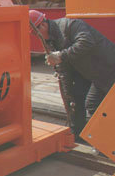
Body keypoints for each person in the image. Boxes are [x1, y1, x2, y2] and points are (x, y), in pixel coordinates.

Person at [29, 9, 115, 138]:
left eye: (35, 33)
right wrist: (69, 97)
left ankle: (105, 141)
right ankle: (79, 135)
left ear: (43, 25)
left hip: (107, 67)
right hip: (91, 71)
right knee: (77, 96)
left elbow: (86, 42)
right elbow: (63, 69)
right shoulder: (50, 41)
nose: (36, 37)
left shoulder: (70, 26)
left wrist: (61, 55)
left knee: (93, 104)